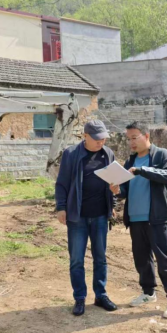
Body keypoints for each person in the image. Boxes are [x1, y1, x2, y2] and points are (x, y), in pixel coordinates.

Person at [110, 121, 167, 319]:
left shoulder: (161, 155)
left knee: (164, 259)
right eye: (128, 139)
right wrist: (117, 190)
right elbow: (125, 190)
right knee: (142, 259)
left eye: (134, 138)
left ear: (146, 136)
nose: (131, 142)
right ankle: (148, 293)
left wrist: (142, 171)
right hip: (135, 218)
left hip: (157, 218)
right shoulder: (130, 161)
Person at [55, 119, 118, 316]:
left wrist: (113, 204)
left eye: (103, 138)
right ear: (85, 136)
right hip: (77, 217)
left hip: (100, 215)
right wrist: (61, 207)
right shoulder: (71, 154)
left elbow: (114, 182)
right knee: (76, 260)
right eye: (97, 139)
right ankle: (80, 298)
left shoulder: (108, 154)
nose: (101, 142)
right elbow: (62, 183)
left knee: (100, 258)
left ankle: (100, 295)